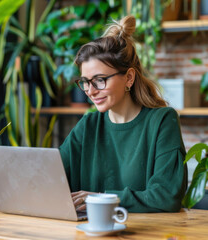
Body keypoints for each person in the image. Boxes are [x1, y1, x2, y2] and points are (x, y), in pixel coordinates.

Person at [59, 15, 187, 213]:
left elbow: (166, 195)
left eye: (100, 80)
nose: (90, 91)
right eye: (85, 81)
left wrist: (101, 199)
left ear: (128, 78)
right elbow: (51, 177)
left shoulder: (162, 121)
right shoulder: (88, 125)